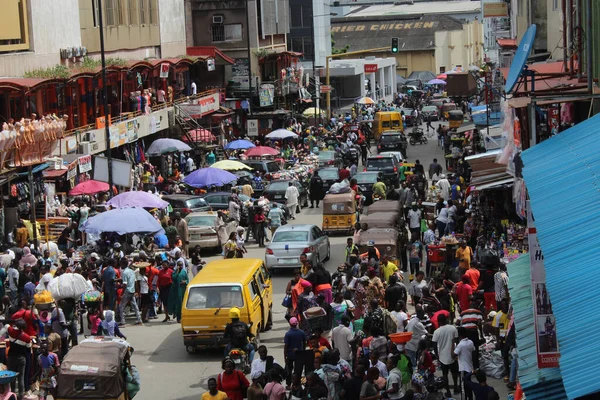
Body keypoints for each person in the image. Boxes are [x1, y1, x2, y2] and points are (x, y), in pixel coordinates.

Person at [432, 313, 460, 397]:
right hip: (453, 355)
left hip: (442, 357)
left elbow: (434, 344)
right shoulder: (452, 328)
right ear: (446, 319)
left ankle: (448, 391)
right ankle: (455, 387)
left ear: (439, 322)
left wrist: (437, 355)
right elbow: (456, 341)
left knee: (445, 374)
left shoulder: (437, 332)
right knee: (454, 373)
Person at [283, 317, 307, 386]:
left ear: (290, 324)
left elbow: (286, 346)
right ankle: (297, 383)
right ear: (297, 324)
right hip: (299, 354)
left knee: (289, 371)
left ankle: (288, 384)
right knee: (298, 371)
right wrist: (303, 351)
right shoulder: (301, 332)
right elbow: (305, 343)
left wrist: (285, 357)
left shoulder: (288, 334)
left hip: (290, 355)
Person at [454, 327, 476, 400]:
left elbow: (453, 355)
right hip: (470, 367)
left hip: (463, 368)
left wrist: (452, 345)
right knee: (469, 385)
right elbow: (473, 352)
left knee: (463, 387)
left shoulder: (460, 345)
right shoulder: (470, 342)